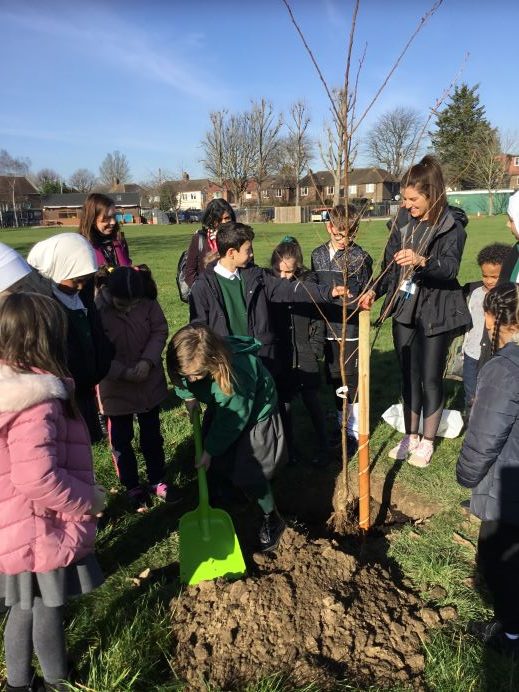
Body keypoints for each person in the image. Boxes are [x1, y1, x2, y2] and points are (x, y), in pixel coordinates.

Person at [0, 293, 106, 692]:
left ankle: (17, 682)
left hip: (14, 523)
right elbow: (37, 478)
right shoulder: (36, 404)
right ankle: (56, 680)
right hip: (38, 526)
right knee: (46, 607)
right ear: (45, 341)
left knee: (21, 608)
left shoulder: (7, 387)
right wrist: (88, 500)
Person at [360, 155, 471, 468]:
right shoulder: (402, 224)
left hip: (436, 309)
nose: (406, 205)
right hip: (405, 307)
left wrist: (423, 261)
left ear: (431, 195)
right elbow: (388, 267)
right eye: (404, 199)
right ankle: (410, 434)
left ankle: (427, 441)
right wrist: (373, 290)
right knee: (408, 375)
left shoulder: (451, 227)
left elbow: (449, 269)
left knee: (431, 378)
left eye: (412, 199)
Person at [167, 323, 287, 552]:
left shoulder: (235, 374)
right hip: (224, 407)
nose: (191, 380)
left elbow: (233, 421)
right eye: (187, 375)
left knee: (252, 472)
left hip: (253, 414)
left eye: (197, 375)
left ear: (214, 361)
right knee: (221, 462)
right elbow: (180, 377)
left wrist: (210, 450)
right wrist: (188, 396)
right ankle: (229, 494)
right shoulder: (183, 359)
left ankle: (272, 517)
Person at [189, 221, 347, 376]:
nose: (251, 253)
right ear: (231, 252)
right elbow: (199, 330)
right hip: (226, 364)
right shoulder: (203, 287)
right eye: (248, 249)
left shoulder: (256, 276)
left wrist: (327, 292)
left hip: (260, 361)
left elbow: (290, 289)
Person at [457, 283, 519, 656]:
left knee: (500, 559)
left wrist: (466, 475)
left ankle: (511, 634)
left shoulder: (504, 369)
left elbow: (485, 434)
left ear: (495, 319)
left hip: (509, 488)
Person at [95, 264, 174, 510]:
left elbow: (159, 330)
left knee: (152, 435)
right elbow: (96, 351)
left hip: (148, 382)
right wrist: (121, 371)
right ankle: (132, 486)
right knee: (121, 439)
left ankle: (157, 479)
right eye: (122, 305)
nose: (128, 309)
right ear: (109, 293)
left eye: (133, 304)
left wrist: (147, 361)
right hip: (115, 387)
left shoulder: (148, 303)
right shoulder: (96, 311)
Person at [27, 233, 114, 443]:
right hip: (63, 397)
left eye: (86, 280)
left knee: (84, 447)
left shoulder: (81, 297)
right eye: (77, 280)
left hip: (85, 390)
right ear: (59, 269)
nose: (82, 286)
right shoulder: (43, 306)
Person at [311, 204, 373, 455]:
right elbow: (314, 288)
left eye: (351, 233)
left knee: (352, 380)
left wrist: (361, 298)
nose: (345, 239)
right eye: (339, 233)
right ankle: (342, 424)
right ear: (329, 227)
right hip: (327, 328)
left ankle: (355, 431)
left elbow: (369, 291)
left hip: (352, 330)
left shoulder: (361, 258)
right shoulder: (317, 255)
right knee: (335, 377)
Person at [269, 236, 330, 466]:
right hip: (282, 355)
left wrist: (315, 349)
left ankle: (324, 446)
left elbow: (318, 321)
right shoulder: (270, 287)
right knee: (284, 404)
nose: (284, 277)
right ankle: (289, 450)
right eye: (280, 272)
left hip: (305, 353)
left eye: (289, 272)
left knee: (312, 400)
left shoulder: (307, 286)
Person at [462, 243, 510, 414]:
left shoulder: (509, 298)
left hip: (497, 357)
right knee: (471, 395)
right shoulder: (474, 293)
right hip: (472, 355)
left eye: (494, 277)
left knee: (494, 397)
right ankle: (471, 427)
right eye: (485, 276)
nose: (489, 281)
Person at [184, 198, 235, 288]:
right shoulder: (199, 239)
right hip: (208, 293)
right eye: (218, 219)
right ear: (210, 220)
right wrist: (201, 292)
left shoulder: (239, 237)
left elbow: (248, 267)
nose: (223, 222)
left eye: (227, 218)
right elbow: (190, 271)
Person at [78, 193, 131, 268]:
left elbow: (128, 266)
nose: (113, 222)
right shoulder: (81, 246)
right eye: (107, 218)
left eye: (114, 216)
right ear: (92, 219)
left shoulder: (119, 240)